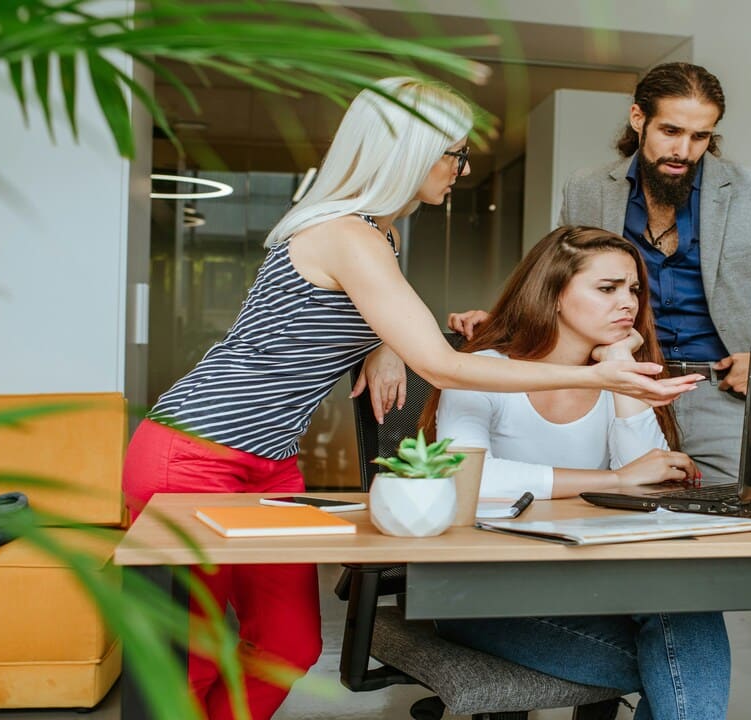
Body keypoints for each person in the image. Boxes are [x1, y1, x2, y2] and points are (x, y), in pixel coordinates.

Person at [120, 78, 699, 720]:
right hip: (194, 448)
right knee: (189, 654)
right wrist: (597, 378)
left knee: (288, 643)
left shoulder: (384, 239)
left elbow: (370, 317)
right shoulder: (345, 233)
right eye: (451, 152)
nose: (460, 168)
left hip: (271, 463)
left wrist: (380, 344)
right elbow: (444, 366)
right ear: (406, 150)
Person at [446, 62, 751, 483]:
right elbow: (560, 275)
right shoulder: (588, 187)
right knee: (611, 508)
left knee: (731, 521)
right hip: (616, 385)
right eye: (671, 131)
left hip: (722, 395)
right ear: (638, 118)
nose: (684, 151)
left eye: (700, 136)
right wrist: (507, 323)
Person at [420, 225, 730, 720]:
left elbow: (651, 484)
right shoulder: (482, 369)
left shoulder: (613, 373)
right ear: (554, 295)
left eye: (632, 290)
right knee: (682, 662)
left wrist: (622, 365)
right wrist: (612, 480)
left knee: (686, 610)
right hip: (483, 595)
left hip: (589, 586)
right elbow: (468, 480)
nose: (627, 303)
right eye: (607, 289)